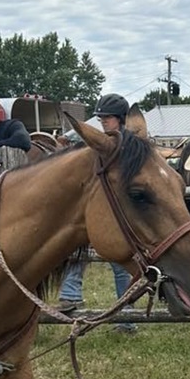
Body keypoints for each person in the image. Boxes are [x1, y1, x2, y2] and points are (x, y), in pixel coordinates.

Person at [57, 94, 137, 334]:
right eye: (101, 119)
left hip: (117, 214)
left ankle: (127, 318)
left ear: (121, 119)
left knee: (120, 266)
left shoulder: (130, 144)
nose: (103, 123)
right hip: (97, 208)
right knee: (74, 249)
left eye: (107, 118)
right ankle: (70, 297)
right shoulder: (100, 141)